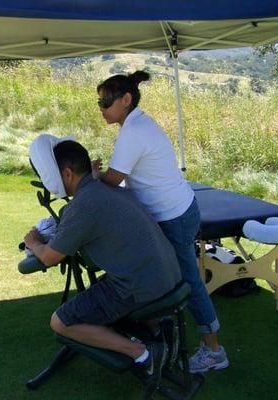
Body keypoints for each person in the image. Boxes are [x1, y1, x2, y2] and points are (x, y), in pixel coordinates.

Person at [92, 71, 229, 373]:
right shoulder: (138, 123)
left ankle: (214, 351)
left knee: (188, 282)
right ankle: (161, 330)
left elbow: (114, 179)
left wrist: (93, 175)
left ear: (126, 100)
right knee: (174, 278)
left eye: (105, 102)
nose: (101, 109)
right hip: (182, 208)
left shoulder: (133, 132)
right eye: (99, 102)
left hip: (173, 217)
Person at [24, 139, 182, 389]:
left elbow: (49, 257)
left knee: (61, 321)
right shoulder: (108, 188)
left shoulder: (84, 205)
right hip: (168, 275)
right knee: (100, 290)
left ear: (66, 173)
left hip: (140, 286)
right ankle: (158, 331)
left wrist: (32, 241)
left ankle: (143, 353)